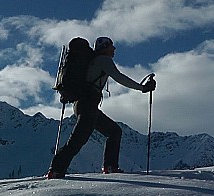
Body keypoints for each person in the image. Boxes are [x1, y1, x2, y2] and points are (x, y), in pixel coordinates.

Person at [47, 36, 155, 178]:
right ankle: (56, 170)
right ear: (105, 47)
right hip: (88, 105)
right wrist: (142, 88)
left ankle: (109, 166)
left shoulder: (93, 61)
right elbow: (119, 77)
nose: (114, 49)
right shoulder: (103, 60)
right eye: (111, 46)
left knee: (114, 132)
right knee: (78, 140)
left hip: (83, 104)